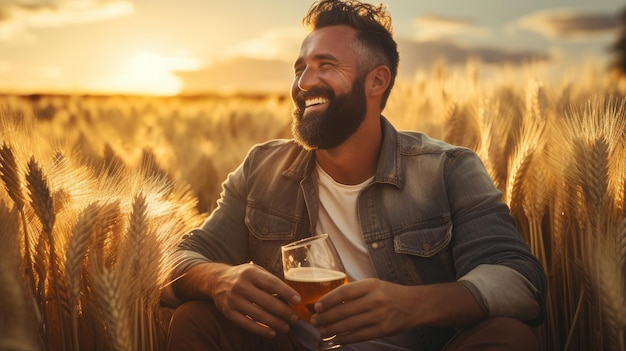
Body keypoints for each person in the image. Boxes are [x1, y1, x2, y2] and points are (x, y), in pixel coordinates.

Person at [161, 0, 547, 350]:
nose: (303, 83)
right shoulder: (263, 168)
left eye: (325, 65)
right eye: (300, 69)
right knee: (194, 320)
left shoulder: (447, 168)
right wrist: (218, 280)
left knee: (511, 338)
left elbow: (521, 282)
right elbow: (179, 260)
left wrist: (410, 306)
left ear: (376, 81)